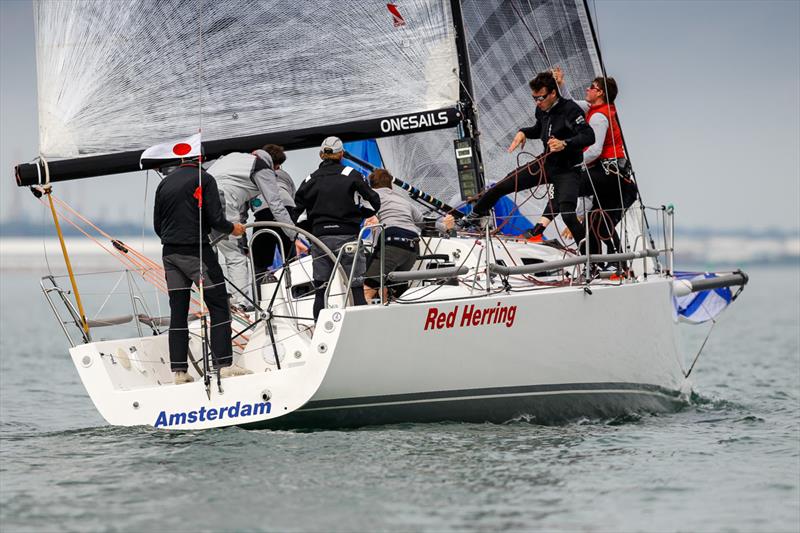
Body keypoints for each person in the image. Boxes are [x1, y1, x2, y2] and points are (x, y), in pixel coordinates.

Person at [468, 71, 595, 248]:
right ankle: (472, 218)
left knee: (567, 214)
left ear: (553, 93)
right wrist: (523, 132)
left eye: (541, 98)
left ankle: (594, 261)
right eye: (534, 98)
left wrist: (565, 143)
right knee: (502, 185)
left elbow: (589, 136)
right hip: (546, 163)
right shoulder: (541, 109)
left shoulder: (570, 110)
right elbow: (538, 129)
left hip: (567, 170)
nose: (537, 102)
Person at [153, 157, 252, 384]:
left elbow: (158, 225)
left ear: (181, 159)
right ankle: (223, 366)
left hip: (169, 255)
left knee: (178, 312)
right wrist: (234, 229)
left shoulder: (165, 183)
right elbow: (216, 219)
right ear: (202, 160)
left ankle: (179, 372)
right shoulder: (205, 179)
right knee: (219, 307)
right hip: (197, 254)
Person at [294, 136, 381, 320]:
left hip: (320, 240)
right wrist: (360, 216)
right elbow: (373, 204)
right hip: (348, 236)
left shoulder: (309, 180)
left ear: (321, 154)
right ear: (341, 154)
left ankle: (320, 331)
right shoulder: (352, 175)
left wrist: (313, 232)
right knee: (356, 288)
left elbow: (297, 215)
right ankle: (362, 330)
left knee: (321, 291)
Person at [553, 68, 638, 256]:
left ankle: (541, 226)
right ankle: (612, 263)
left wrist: (573, 163)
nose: (587, 89)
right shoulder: (594, 109)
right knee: (599, 222)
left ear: (599, 92)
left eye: (591, 87)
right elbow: (570, 104)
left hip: (612, 176)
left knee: (567, 187)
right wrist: (561, 85)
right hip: (611, 176)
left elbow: (594, 149)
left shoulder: (599, 117)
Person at [362, 169, 455, 302]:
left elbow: (363, 212)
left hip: (392, 244)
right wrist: (446, 227)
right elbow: (423, 222)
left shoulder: (371, 196)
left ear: (371, 185)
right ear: (391, 185)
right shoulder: (403, 200)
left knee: (367, 291)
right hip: (412, 248)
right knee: (391, 292)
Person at [250, 144, 308, 288]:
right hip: (287, 211)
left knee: (259, 265)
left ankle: (260, 297)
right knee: (291, 260)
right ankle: (297, 291)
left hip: (262, 215)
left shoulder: (252, 172)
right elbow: (294, 196)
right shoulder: (285, 175)